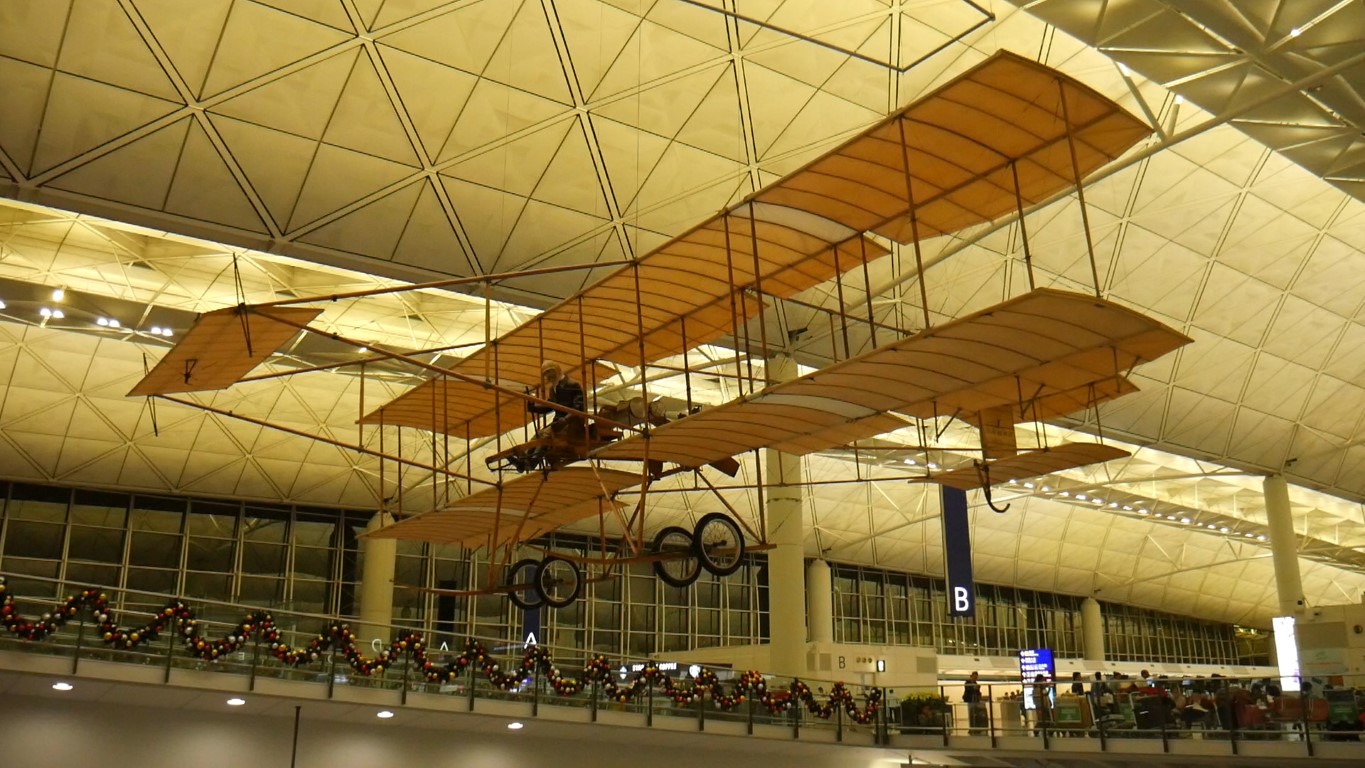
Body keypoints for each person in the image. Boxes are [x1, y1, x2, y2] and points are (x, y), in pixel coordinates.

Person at [511, 360, 586, 471]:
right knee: (538, 434)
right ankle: (524, 458)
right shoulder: (553, 388)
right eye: (545, 373)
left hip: (572, 423)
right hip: (559, 423)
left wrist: (565, 420)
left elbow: (579, 408)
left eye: (549, 372)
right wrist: (532, 406)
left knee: (545, 435)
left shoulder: (572, 384)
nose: (547, 376)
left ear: (557, 370)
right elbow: (550, 406)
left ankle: (532, 461)